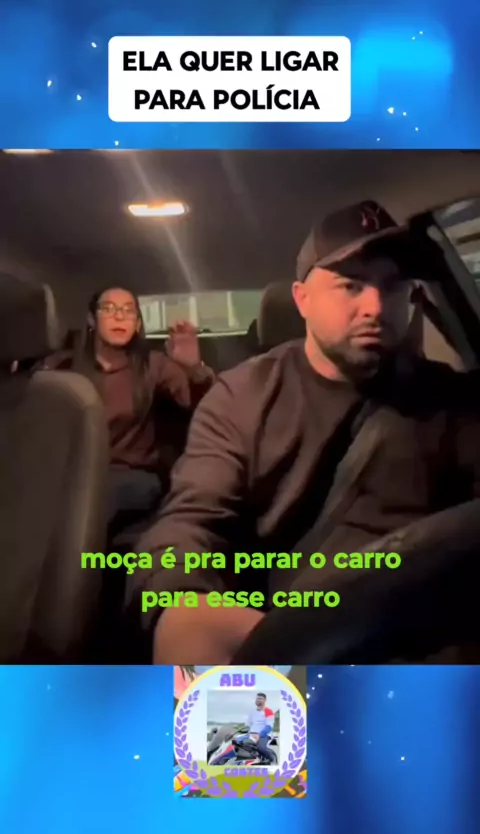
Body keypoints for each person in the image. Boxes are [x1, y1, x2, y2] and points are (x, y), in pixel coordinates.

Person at [129, 201, 480, 664]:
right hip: (283, 640)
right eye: (351, 285)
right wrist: (186, 605)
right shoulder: (242, 396)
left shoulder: (455, 402)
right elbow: (190, 521)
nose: (375, 307)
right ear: (302, 299)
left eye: (393, 285)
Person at [43, 285, 215, 531]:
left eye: (128, 310)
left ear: (137, 324)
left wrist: (193, 368)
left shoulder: (152, 365)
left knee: (95, 502)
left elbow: (209, 407)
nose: (119, 316)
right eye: (109, 309)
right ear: (92, 319)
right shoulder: (63, 367)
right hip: (74, 474)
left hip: (133, 476)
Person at [212, 693, 276, 765]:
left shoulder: (268, 711)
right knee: (234, 742)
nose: (257, 700)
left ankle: (272, 760)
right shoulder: (252, 712)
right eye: (257, 698)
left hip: (264, 735)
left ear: (265, 700)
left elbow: (269, 726)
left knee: (261, 748)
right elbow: (247, 725)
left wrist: (259, 735)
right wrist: (235, 731)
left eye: (260, 698)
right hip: (251, 734)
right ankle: (222, 760)